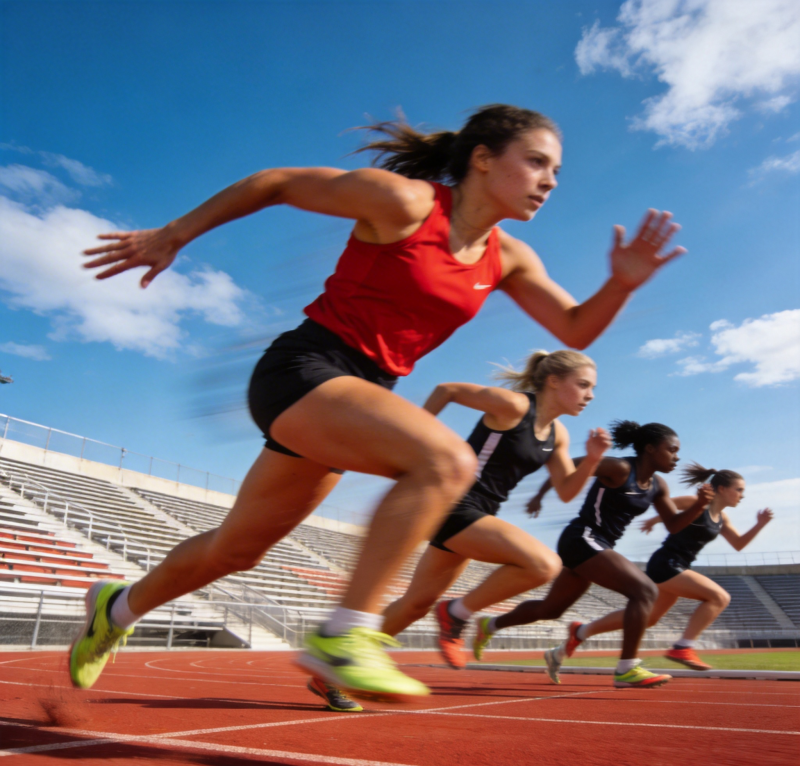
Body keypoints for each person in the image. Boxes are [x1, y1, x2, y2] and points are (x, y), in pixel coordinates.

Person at [70, 104, 685, 702]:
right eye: (536, 162)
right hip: (305, 369)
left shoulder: (510, 257)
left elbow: (574, 329)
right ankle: (347, 636)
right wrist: (173, 234)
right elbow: (276, 183)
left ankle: (114, 608)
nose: (550, 181)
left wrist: (621, 284)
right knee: (446, 460)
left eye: (556, 172)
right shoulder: (406, 203)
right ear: (481, 159)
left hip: (358, 400)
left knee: (237, 549)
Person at [381, 350, 611, 673]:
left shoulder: (558, 434)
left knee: (415, 605)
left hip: (479, 512)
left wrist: (592, 460)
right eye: (584, 385)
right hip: (453, 503)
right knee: (543, 565)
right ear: (554, 381)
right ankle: (457, 613)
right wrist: (412, 440)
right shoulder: (515, 406)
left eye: (593, 388)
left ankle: (339, 663)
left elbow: (566, 491)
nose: (590, 395)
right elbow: (447, 390)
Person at [472, 420, 714, 688]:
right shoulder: (619, 468)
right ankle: (627, 668)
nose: (676, 457)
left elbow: (673, 525)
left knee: (551, 609)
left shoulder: (658, 486)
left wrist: (700, 506)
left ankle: (489, 625)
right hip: (581, 537)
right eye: (672, 450)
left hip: (599, 545)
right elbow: (567, 466)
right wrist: (539, 495)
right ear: (650, 449)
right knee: (645, 592)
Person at [553, 464, 774, 672]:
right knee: (719, 597)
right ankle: (683, 647)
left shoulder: (722, 518)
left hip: (679, 566)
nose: (742, 495)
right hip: (667, 563)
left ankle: (581, 631)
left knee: (648, 618)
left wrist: (760, 524)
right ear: (723, 489)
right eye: (739, 490)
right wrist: (655, 520)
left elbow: (738, 544)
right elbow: (667, 503)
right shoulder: (694, 502)